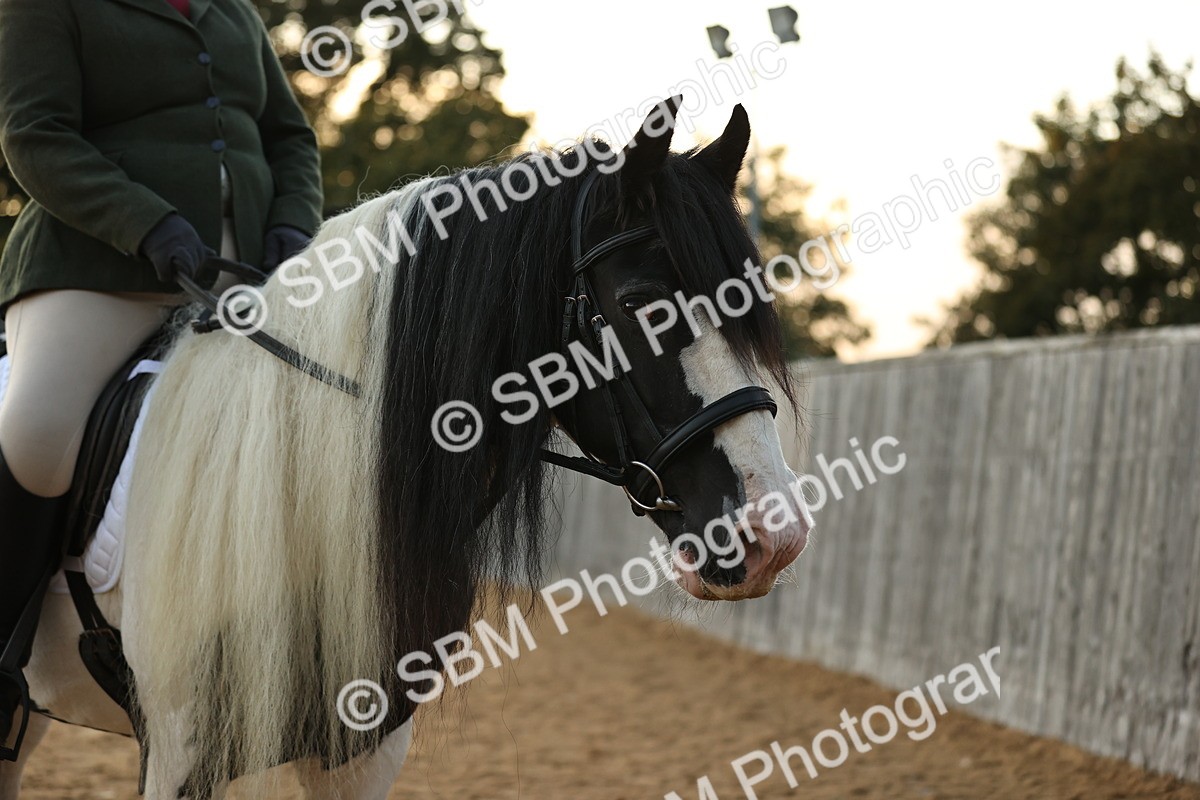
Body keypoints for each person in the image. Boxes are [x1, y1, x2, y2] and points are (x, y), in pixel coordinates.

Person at [0, 0, 323, 756]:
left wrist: (293, 225)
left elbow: (289, 137)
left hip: (242, 276)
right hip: (95, 267)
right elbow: (34, 135)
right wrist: (146, 222)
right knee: (38, 434)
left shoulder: (233, 11)